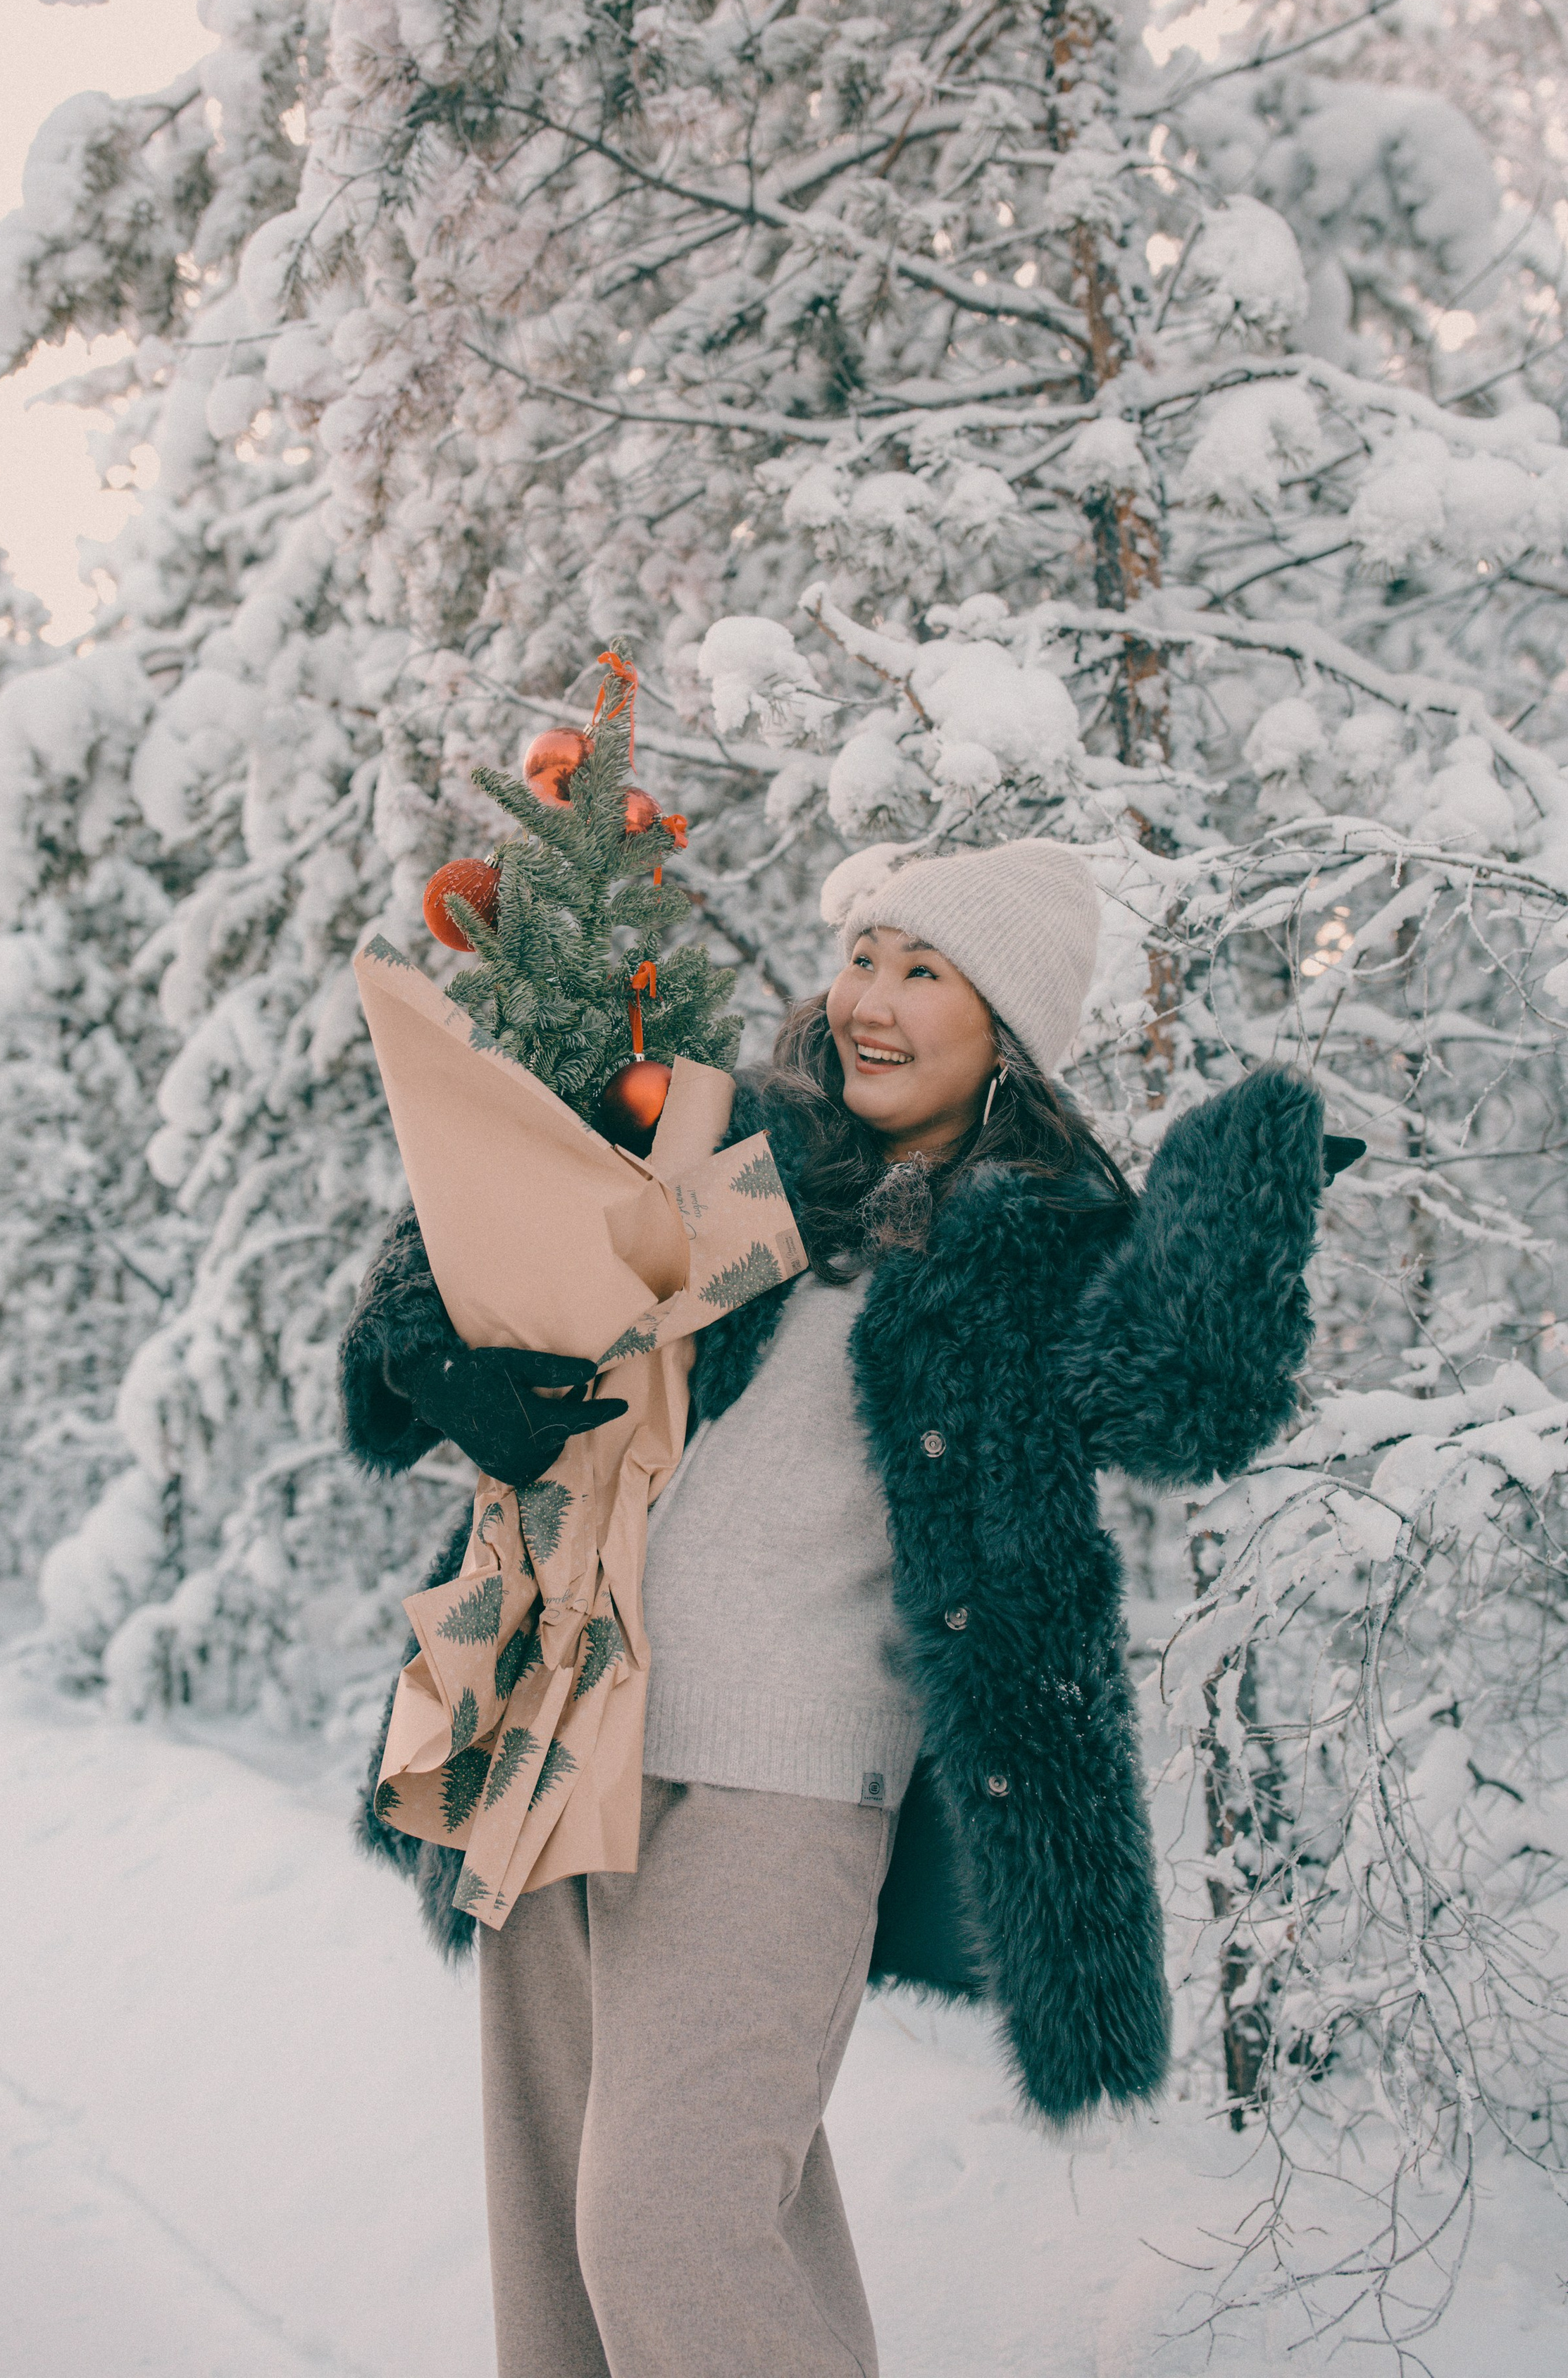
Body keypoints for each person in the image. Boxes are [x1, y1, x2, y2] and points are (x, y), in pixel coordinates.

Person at [339, 838, 1332, 2378]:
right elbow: (487, 1226)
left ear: (1007, 1027)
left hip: (787, 1783)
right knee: (560, 2252)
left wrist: (1246, 1178)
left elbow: (1184, 1401)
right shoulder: (754, 1157)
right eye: (864, 954)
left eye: (923, 971)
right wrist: (432, 1357)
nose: (869, 997)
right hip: (566, 1720)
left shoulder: (1038, 1242)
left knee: (668, 2229)